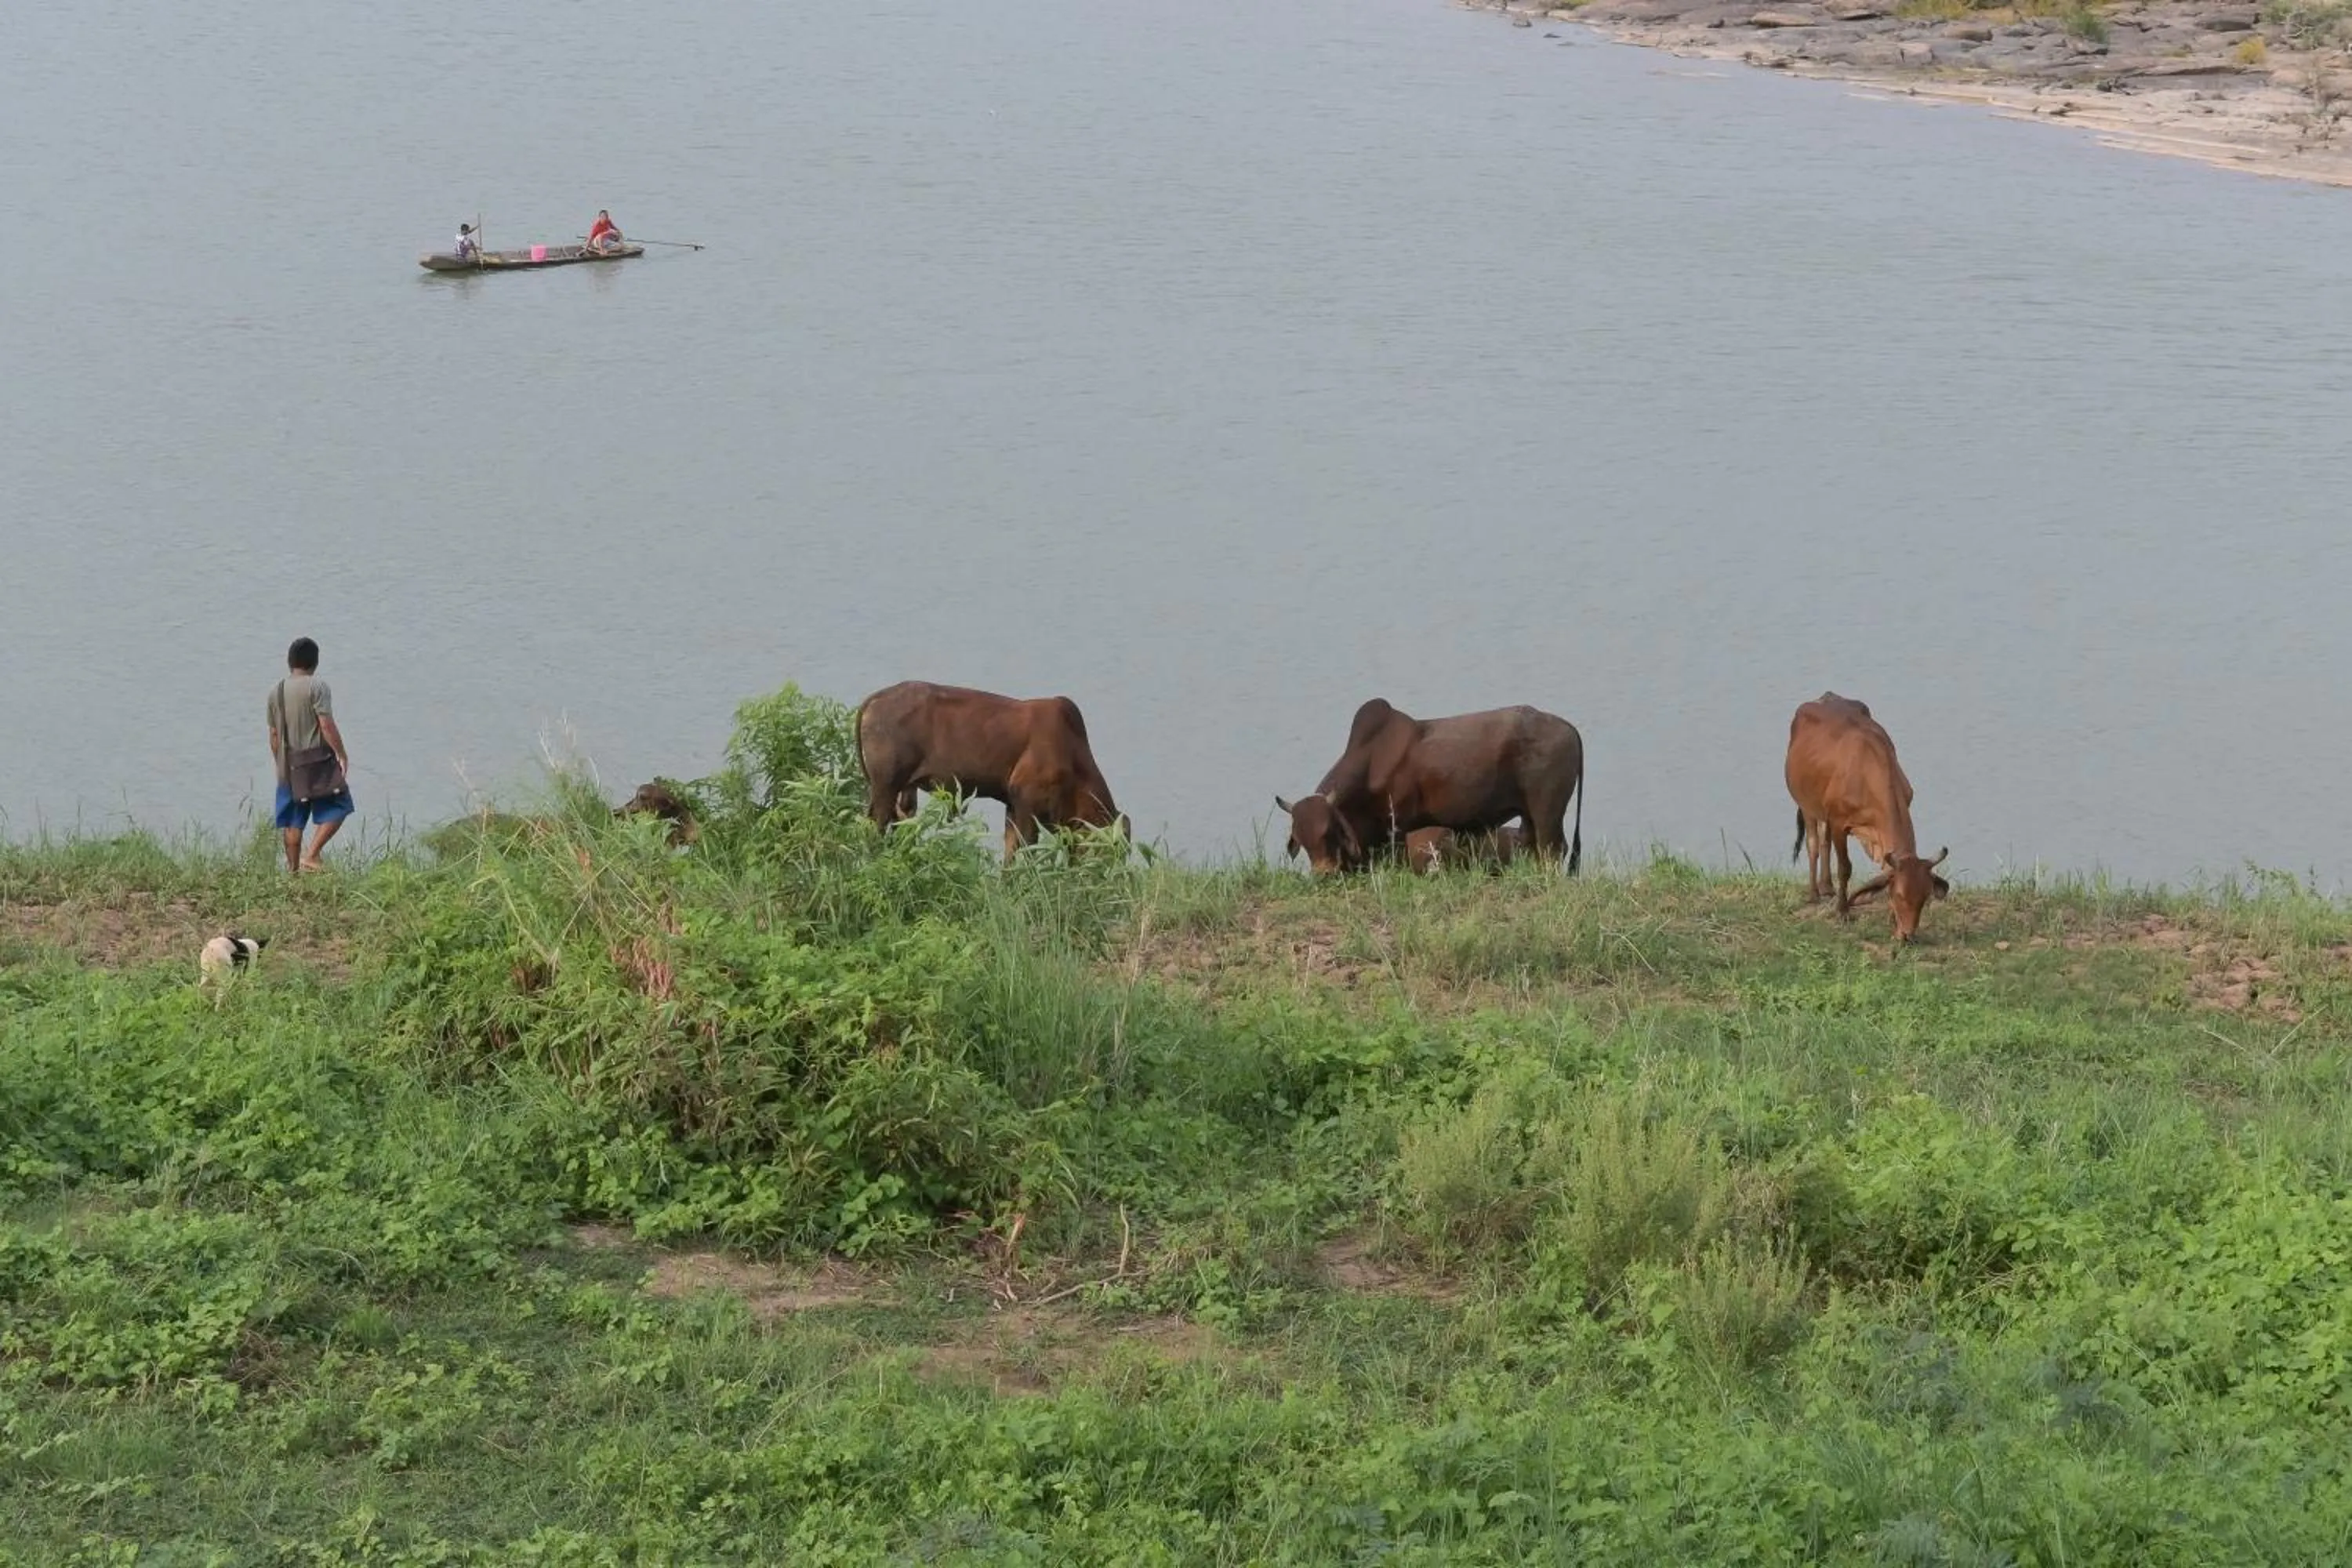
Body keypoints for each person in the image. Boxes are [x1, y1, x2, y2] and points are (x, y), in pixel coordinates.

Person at [267, 637, 354, 873]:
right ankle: (312, 855)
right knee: (341, 805)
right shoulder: (317, 687)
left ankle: (293, 874)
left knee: (293, 821)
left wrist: (280, 764)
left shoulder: (277, 691)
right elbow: (326, 725)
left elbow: (274, 734)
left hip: (289, 764)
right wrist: (342, 754)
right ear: (315, 663)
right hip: (318, 763)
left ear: (289, 662)